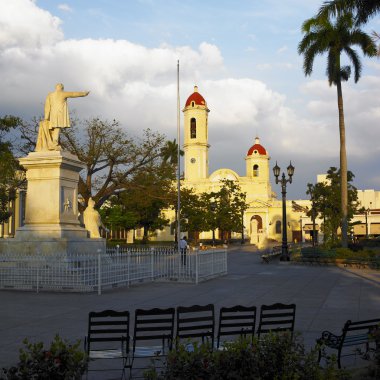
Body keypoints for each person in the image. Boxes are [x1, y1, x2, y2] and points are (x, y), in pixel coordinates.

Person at [36, 83, 89, 151]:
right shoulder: (62, 93)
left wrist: (46, 116)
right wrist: (83, 94)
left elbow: (47, 106)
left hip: (52, 114)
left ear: (56, 87)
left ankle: (53, 143)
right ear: (61, 87)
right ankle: (54, 143)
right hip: (59, 113)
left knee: (53, 128)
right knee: (57, 127)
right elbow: (73, 94)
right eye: (62, 87)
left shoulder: (50, 94)